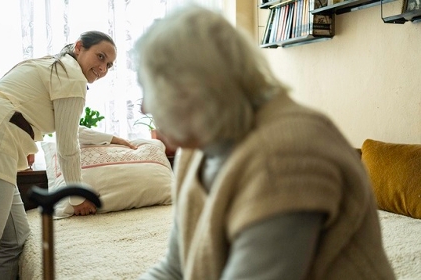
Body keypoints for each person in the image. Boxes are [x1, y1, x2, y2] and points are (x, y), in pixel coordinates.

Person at [134, 5, 396, 280]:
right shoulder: (198, 147)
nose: (143, 107)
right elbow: (175, 269)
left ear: (191, 92)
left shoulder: (286, 155)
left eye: (149, 89)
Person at [0, 30, 135, 279]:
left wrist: (112, 139)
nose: (103, 68)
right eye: (99, 57)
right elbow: (67, 145)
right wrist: (77, 197)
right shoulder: (71, 75)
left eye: (109, 64)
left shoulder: (55, 67)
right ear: (78, 48)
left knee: (15, 241)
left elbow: (68, 126)